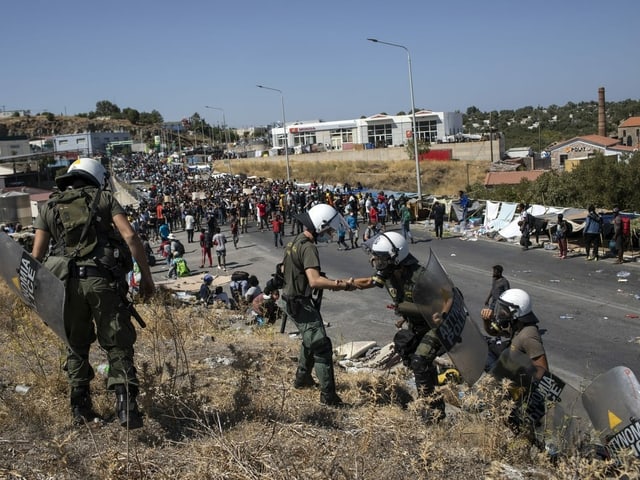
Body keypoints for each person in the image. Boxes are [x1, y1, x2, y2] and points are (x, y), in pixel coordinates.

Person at [31, 157, 153, 429]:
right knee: (117, 340)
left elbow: (36, 257)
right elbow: (130, 237)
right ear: (97, 177)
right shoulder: (104, 198)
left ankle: (80, 409)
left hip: (64, 286)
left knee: (75, 344)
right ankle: (126, 408)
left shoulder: (49, 205)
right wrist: (145, 277)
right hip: (102, 282)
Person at [349, 232, 446, 421]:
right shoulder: (390, 273)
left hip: (435, 326)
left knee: (420, 361)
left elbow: (448, 295)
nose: (375, 261)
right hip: (416, 325)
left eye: (381, 258)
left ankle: (432, 412)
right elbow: (369, 282)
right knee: (407, 351)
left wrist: (440, 313)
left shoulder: (420, 276)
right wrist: (341, 284)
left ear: (396, 257)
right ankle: (433, 399)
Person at [281, 203, 357, 406]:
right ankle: (329, 397)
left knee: (310, 340)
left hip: (291, 300)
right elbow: (314, 281)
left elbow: (283, 269)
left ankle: (302, 379)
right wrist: (340, 285)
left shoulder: (295, 241)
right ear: (320, 226)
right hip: (300, 304)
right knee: (322, 346)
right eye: (329, 230)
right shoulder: (309, 248)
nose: (330, 234)